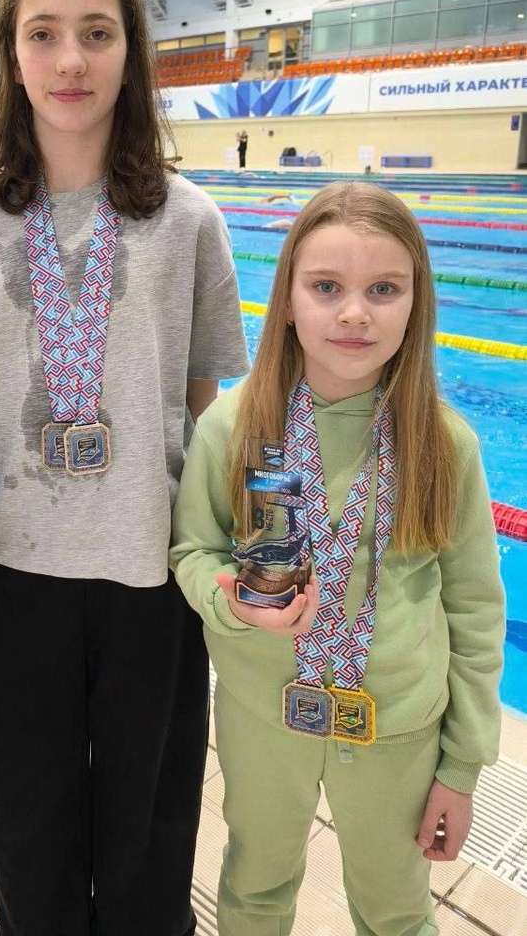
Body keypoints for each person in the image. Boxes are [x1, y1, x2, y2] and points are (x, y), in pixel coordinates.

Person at [0, 0, 249, 936]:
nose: (71, 60)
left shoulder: (188, 219)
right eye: (44, 34)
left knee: (150, 813)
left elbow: (201, 401)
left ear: (131, 53)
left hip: (150, 566)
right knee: (30, 812)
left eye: (97, 34)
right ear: (13, 55)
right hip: (11, 567)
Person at [170, 181, 505, 936]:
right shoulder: (233, 425)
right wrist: (231, 600)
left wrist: (461, 769)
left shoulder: (443, 444)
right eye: (327, 287)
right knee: (254, 892)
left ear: (416, 304)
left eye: (384, 289)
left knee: (396, 911)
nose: (355, 313)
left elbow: (478, 613)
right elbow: (193, 550)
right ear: (287, 300)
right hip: (264, 716)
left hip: (398, 729)